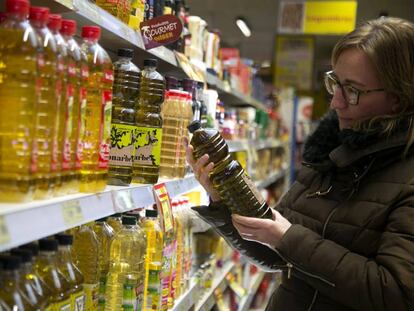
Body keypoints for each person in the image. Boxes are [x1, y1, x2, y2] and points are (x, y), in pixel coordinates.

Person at [186, 17, 414, 311]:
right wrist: (225, 199)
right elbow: (277, 254)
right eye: (335, 84)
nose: (335, 103)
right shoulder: (329, 158)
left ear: (398, 99)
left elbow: (397, 294)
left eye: (353, 91)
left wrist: (288, 237)